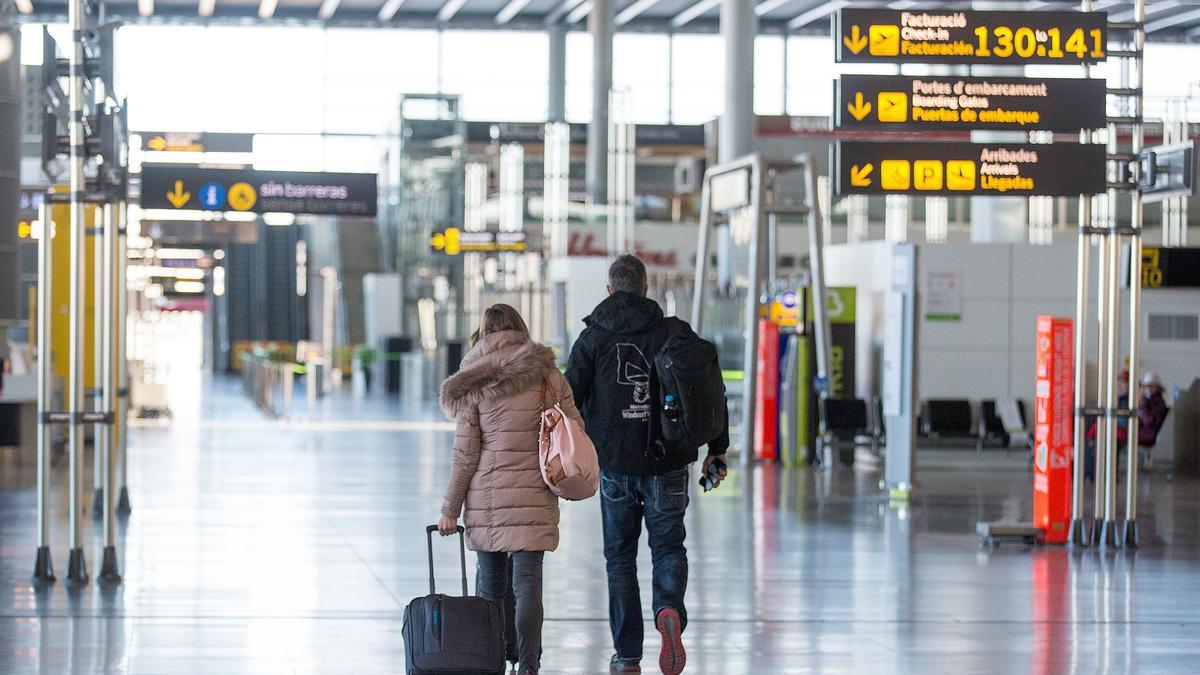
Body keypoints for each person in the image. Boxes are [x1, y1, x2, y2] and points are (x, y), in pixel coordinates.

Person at [566, 254, 729, 675]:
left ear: (609, 290)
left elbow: (567, 401)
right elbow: (709, 391)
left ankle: (627, 655)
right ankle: (668, 610)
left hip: (615, 464)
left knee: (619, 558)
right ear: (646, 288)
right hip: (669, 462)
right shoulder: (674, 333)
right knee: (668, 546)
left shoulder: (593, 338)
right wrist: (717, 448)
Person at [437, 304, 585, 675]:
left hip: (488, 499)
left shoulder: (473, 379)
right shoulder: (548, 375)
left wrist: (449, 510)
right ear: (521, 329)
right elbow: (575, 429)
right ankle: (529, 665)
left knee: (490, 588)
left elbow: (465, 455)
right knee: (527, 582)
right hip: (536, 490)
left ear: (483, 333)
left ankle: (491, 662)